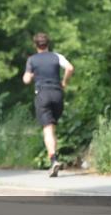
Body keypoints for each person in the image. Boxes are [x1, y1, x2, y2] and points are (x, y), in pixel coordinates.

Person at [22, 33, 74, 177]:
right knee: (52, 128)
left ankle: (53, 160)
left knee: (48, 129)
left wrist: (31, 75)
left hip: (43, 94)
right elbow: (70, 68)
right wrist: (64, 82)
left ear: (35, 45)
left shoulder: (32, 60)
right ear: (48, 44)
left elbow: (26, 80)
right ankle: (54, 158)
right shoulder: (57, 56)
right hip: (57, 94)